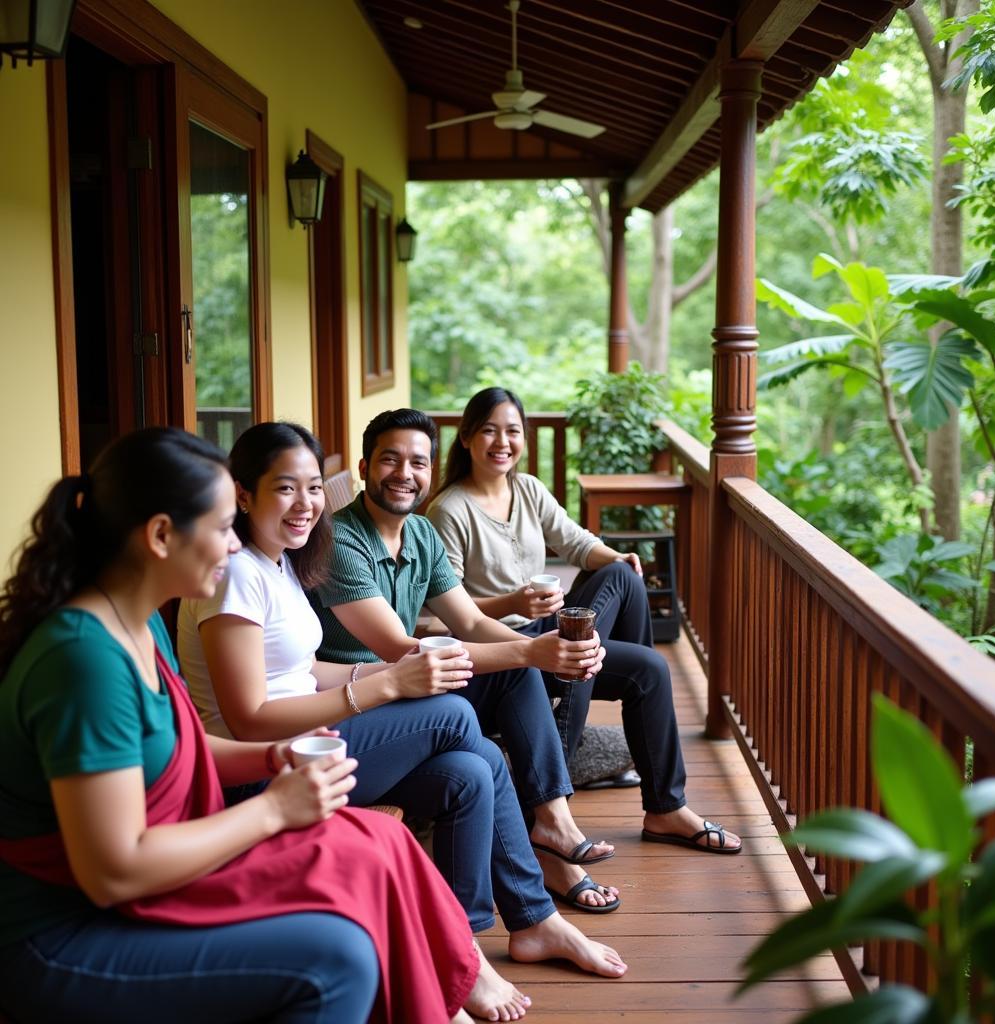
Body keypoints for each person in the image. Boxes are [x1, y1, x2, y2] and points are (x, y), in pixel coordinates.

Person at [0, 427, 481, 1024]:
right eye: (223, 527)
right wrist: (274, 809)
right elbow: (113, 871)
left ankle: (448, 999)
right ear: (159, 536)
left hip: (154, 870)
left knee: (378, 840)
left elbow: (176, 745)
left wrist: (271, 759)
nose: (234, 547)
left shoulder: (135, 622)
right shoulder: (83, 660)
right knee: (338, 959)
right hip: (66, 934)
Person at [178, 422, 627, 1019]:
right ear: (242, 493)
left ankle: (489, 938)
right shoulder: (235, 575)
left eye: (314, 488)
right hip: (270, 771)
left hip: (314, 745)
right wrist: (390, 683)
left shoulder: (278, 562)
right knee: (450, 714)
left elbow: (308, 671)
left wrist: (394, 672)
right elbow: (251, 717)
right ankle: (487, 933)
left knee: (476, 767)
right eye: (286, 489)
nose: (307, 504)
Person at [307, 409, 631, 912]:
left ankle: (552, 819)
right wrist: (531, 649)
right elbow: (398, 647)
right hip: (365, 699)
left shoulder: (419, 533)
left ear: (431, 471)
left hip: (415, 685)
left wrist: (546, 655)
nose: (403, 473)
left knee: (514, 670)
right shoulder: (339, 540)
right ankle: (544, 854)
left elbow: (473, 623)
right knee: (507, 683)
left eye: (417, 462)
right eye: (389, 460)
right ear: (365, 465)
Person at [427, 388, 741, 855]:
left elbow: (577, 543)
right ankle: (567, 755)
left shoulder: (528, 489)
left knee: (629, 601)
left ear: (524, 439)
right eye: (489, 430)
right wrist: (514, 600)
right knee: (633, 659)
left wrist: (617, 555)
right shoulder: (449, 510)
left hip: (547, 631)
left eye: (513, 430)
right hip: (504, 649)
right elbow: (448, 609)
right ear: (468, 437)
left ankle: (664, 808)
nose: (502, 441)